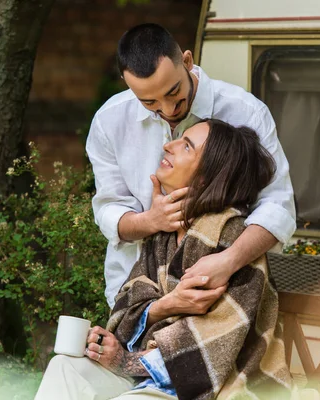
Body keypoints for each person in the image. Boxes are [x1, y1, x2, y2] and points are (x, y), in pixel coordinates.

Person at [35, 119, 292, 400]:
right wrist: (164, 306)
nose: (168, 145)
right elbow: (131, 299)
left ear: (208, 175)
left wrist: (128, 361)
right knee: (64, 367)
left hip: (214, 387)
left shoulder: (231, 236)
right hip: (149, 378)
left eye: (186, 146)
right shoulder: (164, 235)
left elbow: (220, 340)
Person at [85, 23, 296, 309]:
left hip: (223, 294)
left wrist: (228, 261)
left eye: (173, 92)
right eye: (149, 102)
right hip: (132, 295)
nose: (168, 109)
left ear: (187, 61)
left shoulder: (246, 112)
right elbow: (109, 209)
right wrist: (150, 221)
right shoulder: (109, 120)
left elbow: (278, 206)